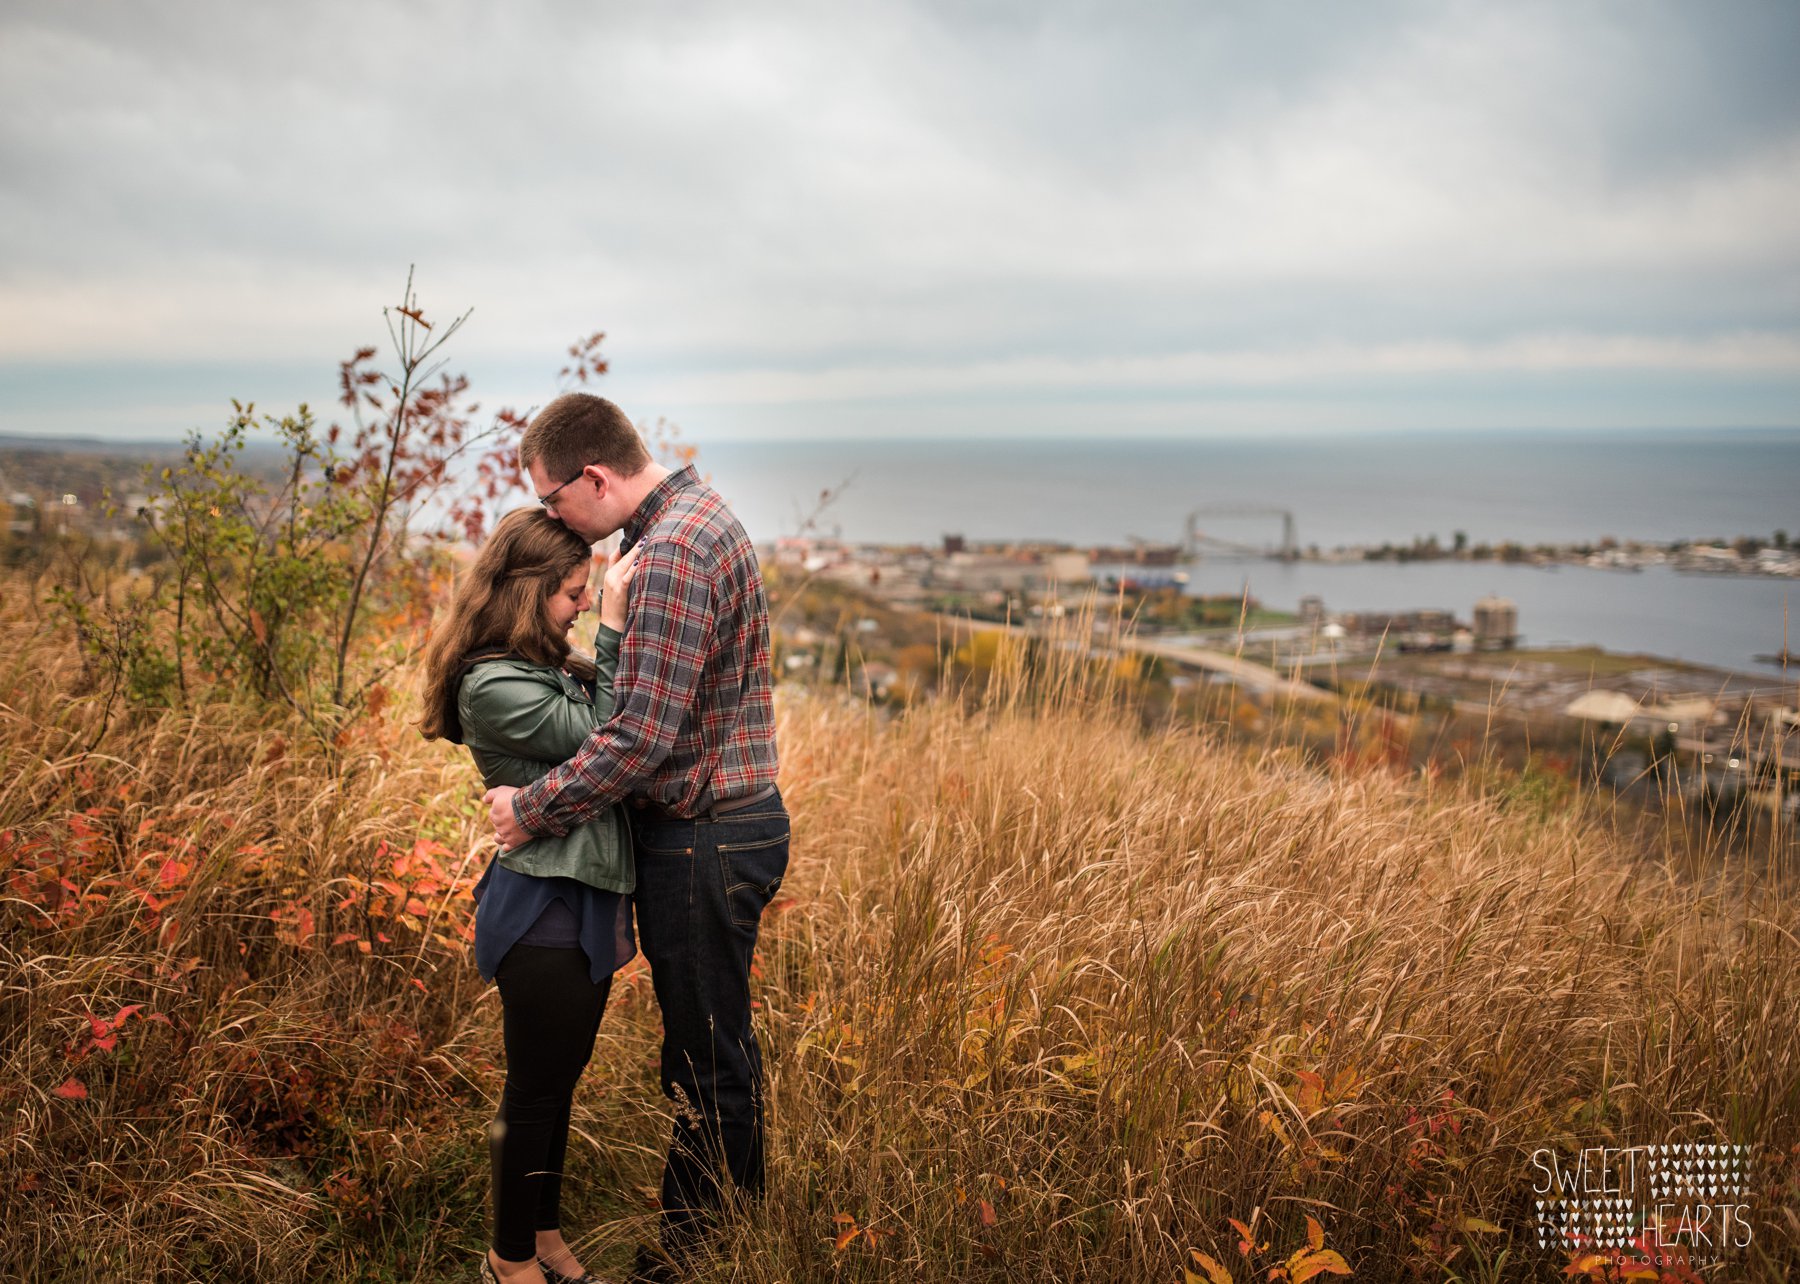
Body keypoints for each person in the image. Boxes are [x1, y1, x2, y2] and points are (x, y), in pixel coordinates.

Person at [482, 393, 785, 1281]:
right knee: (715, 1042)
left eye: (552, 500)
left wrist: (528, 810)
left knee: (701, 1057)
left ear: (595, 477)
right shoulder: (696, 519)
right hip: (724, 827)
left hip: (705, 836)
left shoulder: (673, 553)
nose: (550, 519)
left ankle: (694, 1254)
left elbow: (639, 736)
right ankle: (728, 1229)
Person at [420, 506, 642, 1284]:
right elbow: (607, 734)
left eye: (588, 592)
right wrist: (613, 624)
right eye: (572, 591)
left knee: (558, 1082)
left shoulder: (541, 664)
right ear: (529, 588)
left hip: (581, 896)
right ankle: (506, 1260)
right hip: (544, 905)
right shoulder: (491, 682)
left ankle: (542, 1235)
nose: (582, 603)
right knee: (535, 1088)